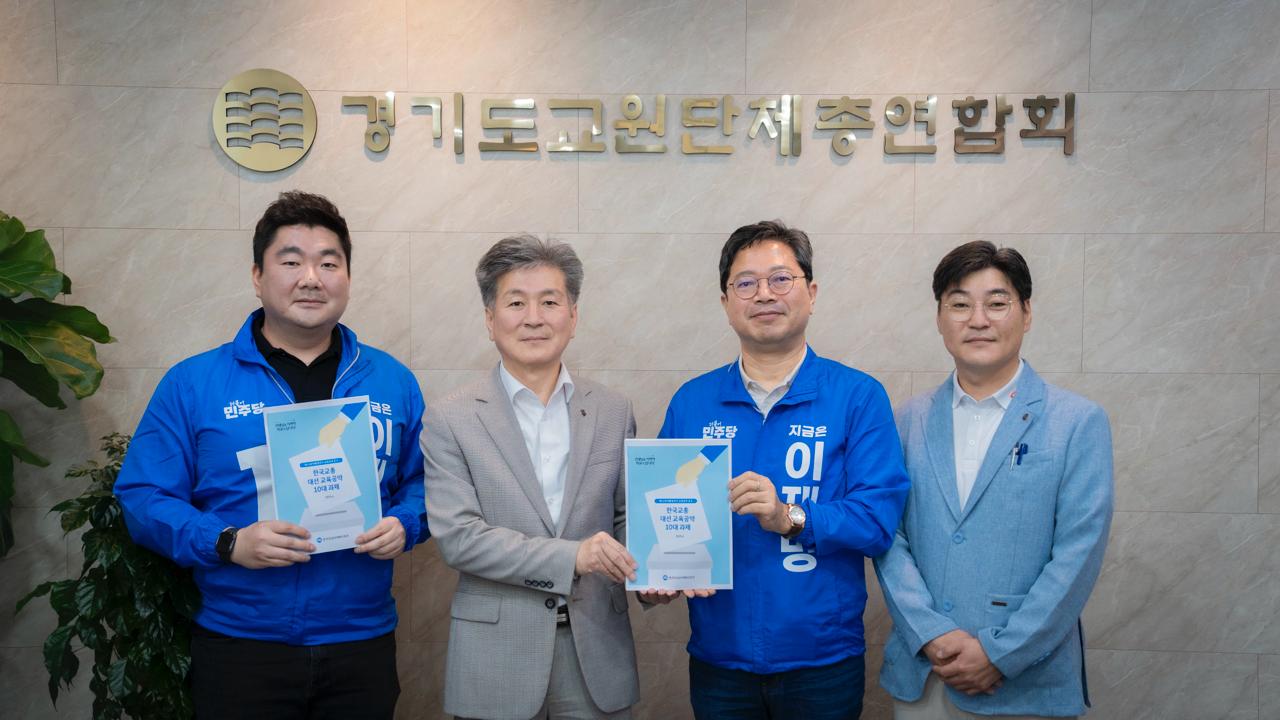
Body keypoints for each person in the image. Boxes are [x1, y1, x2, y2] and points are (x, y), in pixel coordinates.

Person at [114, 190, 427, 719]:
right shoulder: (193, 383)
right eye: (291, 261)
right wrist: (227, 541)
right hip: (240, 645)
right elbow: (143, 497)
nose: (312, 278)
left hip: (362, 642)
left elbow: (427, 484)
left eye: (329, 263)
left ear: (348, 277)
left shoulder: (392, 381)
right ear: (258, 276)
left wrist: (406, 523)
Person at [651, 220, 910, 719]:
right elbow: (669, 519)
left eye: (780, 279)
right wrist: (657, 574)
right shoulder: (692, 401)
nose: (764, 294)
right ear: (726, 302)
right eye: (745, 283)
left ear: (811, 293)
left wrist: (788, 516)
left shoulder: (857, 397)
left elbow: (878, 521)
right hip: (719, 661)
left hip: (823, 662)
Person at [875, 240, 1114, 719]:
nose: (978, 320)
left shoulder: (1077, 422)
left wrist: (1001, 653)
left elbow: (1078, 553)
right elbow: (887, 536)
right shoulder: (905, 420)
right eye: (960, 304)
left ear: (1026, 313)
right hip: (927, 674)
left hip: (1027, 683)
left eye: (997, 303)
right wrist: (931, 633)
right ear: (939, 318)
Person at [421, 235, 639, 720]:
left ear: (573, 316)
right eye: (516, 302)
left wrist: (659, 570)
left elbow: (627, 517)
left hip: (596, 654)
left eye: (550, 302)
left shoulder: (613, 410)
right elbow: (460, 538)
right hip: (495, 660)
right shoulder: (450, 418)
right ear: (490, 319)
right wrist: (573, 556)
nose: (534, 318)